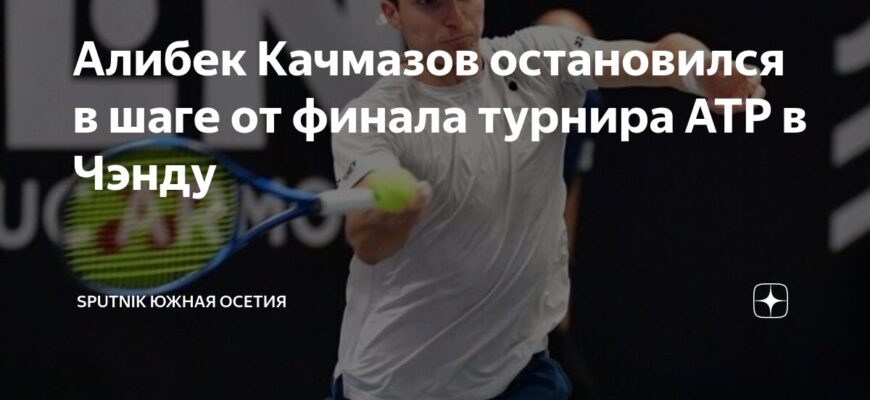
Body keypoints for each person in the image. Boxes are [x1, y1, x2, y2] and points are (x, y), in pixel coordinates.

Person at [330, 1, 765, 399]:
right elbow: (368, 239)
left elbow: (660, 56)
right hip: (392, 387)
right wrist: (390, 221)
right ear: (392, 12)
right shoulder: (371, 118)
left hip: (515, 374)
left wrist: (703, 70)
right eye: (430, 2)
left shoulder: (539, 58)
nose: (456, 17)